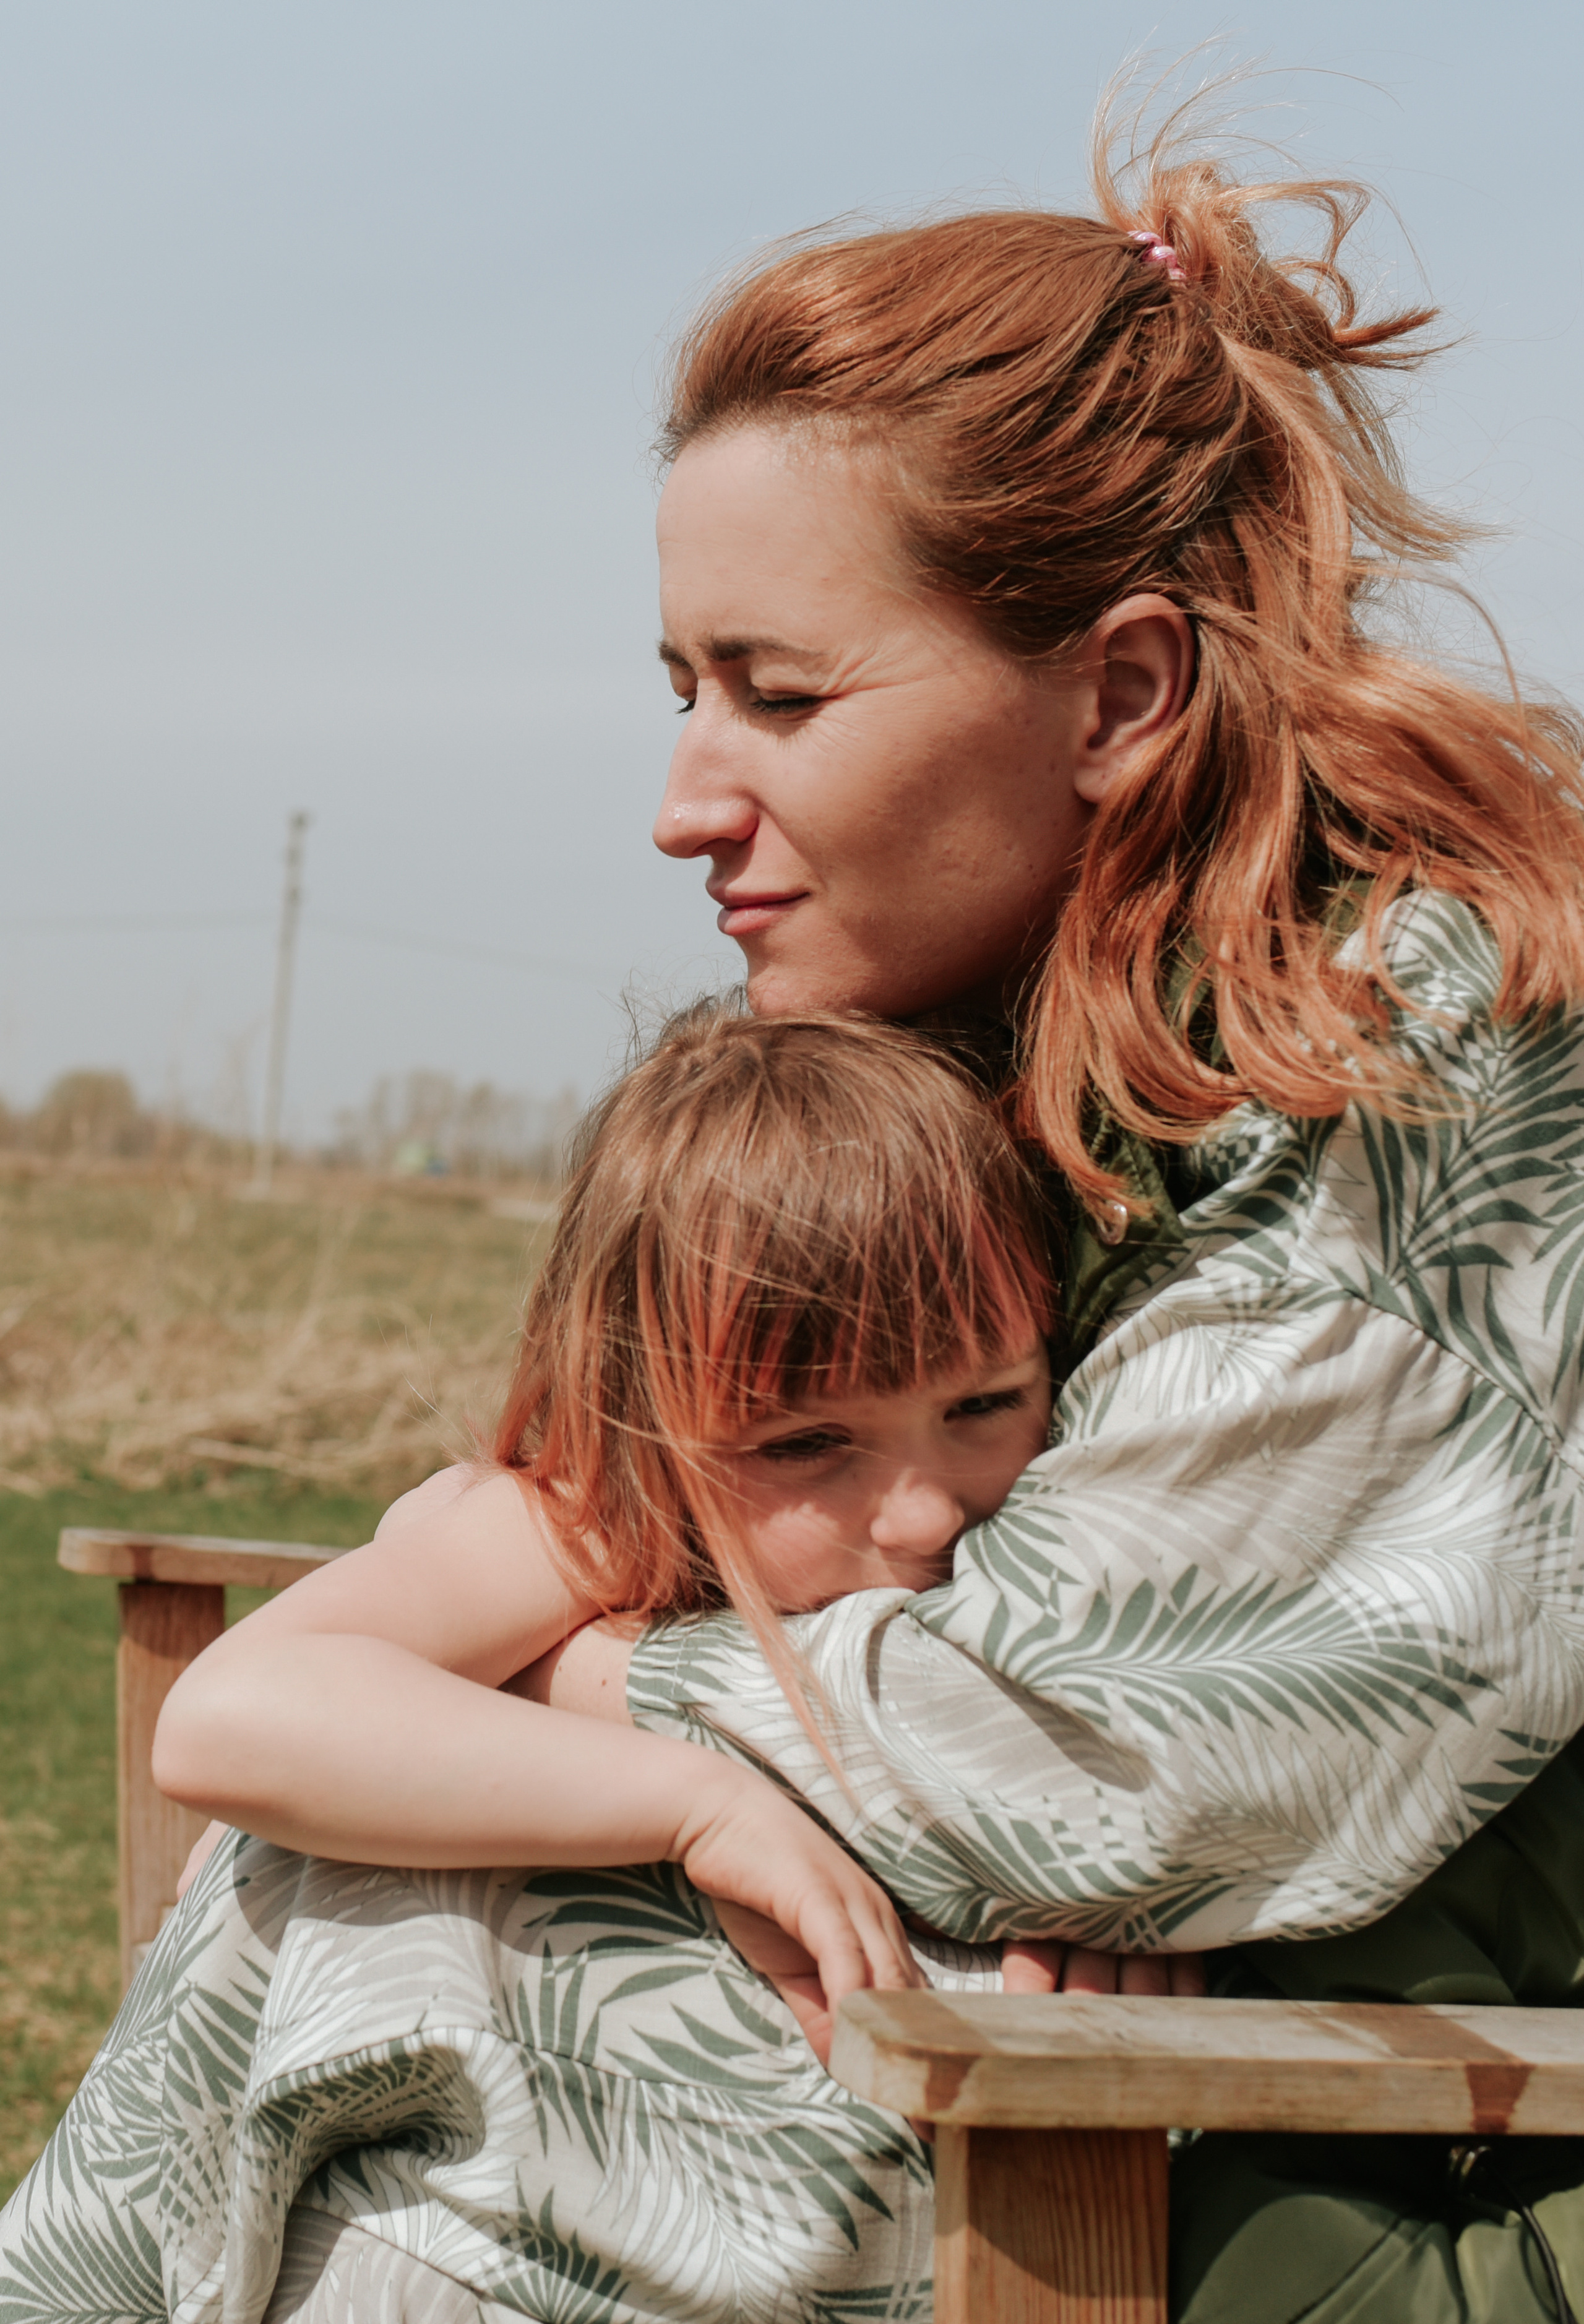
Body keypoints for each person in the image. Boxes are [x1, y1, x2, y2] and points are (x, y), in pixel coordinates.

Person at [7, 93, 1584, 2324]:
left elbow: (1099, 1749)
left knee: (414, 1913)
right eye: (680, 687)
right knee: (382, 1898)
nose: (678, 802)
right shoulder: (1000, 1047)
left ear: (1123, 691)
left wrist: (557, 1678)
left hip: (1382, 2123)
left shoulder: (1416, 1043)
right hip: (1123, 2060)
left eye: (779, 693)